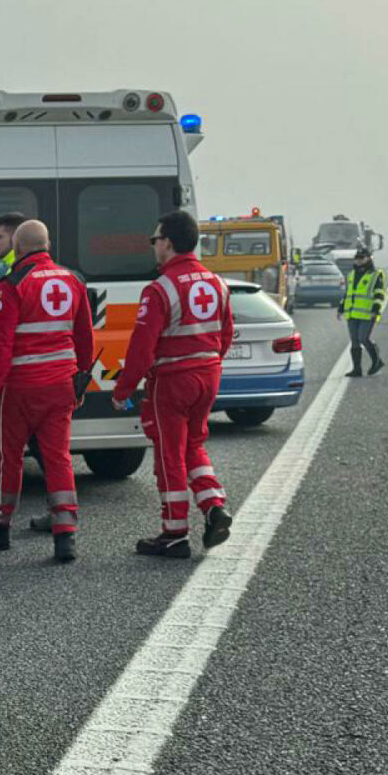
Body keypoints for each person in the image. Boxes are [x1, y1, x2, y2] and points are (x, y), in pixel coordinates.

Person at [111, 209, 234, 559]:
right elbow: (225, 335)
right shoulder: (217, 282)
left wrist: (122, 391)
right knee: (193, 445)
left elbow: (141, 349)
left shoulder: (160, 289)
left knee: (169, 455)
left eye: (155, 239)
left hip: (173, 380)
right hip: (208, 375)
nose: (153, 246)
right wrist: (207, 362)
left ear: (167, 242)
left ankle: (174, 532)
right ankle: (214, 505)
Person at [0, 213, 93, 563]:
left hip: (20, 388)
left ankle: (1, 524)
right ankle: (65, 532)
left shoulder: (12, 284)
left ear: (18, 246)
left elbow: (1, 345)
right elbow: (84, 337)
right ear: (48, 246)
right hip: (61, 386)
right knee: (58, 457)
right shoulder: (73, 280)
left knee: (9, 457)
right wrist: (80, 380)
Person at [340, 247, 388, 375]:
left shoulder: (375, 274)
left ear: (368, 258)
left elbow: (379, 293)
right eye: (357, 258)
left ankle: (377, 360)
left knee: (363, 338)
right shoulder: (351, 275)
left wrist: (376, 309)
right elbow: (347, 294)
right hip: (351, 313)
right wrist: (340, 308)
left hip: (368, 313)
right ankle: (357, 369)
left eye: (362, 258)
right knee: (354, 341)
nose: (359, 260)